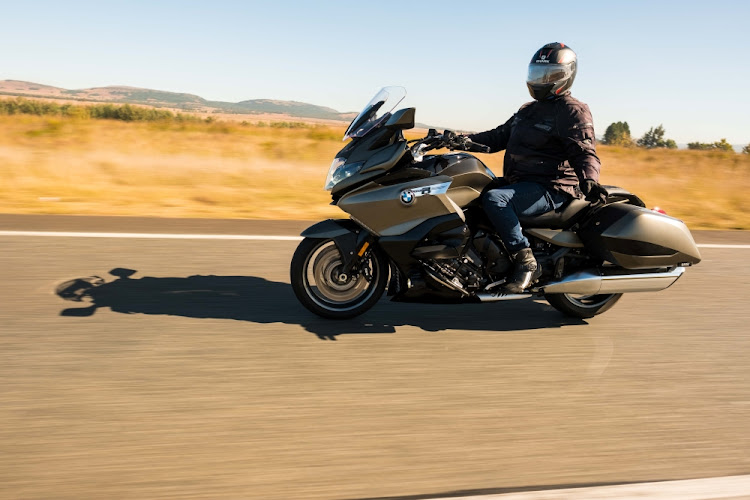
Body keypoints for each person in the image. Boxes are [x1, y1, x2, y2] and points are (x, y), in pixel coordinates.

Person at [465, 42, 608, 293]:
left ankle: (525, 260)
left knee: (497, 200)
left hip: (551, 188)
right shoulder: (528, 110)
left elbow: (585, 151)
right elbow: (499, 136)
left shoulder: (572, 111)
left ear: (566, 76)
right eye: (537, 74)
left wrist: (589, 180)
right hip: (521, 182)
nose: (541, 80)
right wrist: (460, 140)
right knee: (469, 187)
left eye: (549, 75)